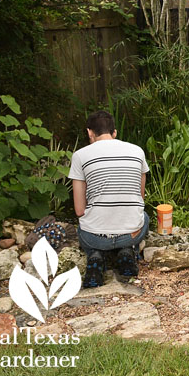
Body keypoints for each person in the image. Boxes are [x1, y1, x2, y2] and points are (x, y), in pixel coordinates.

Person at [69, 110, 150, 287]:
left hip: (94, 238)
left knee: (84, 227)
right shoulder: (137, 151)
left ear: (90, 132)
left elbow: (79, 210)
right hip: (131, 234)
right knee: (145, 217)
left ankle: (95, 256)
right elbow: (140, 199)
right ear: (114, 133)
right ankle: (128, 251)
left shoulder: (80, 156)